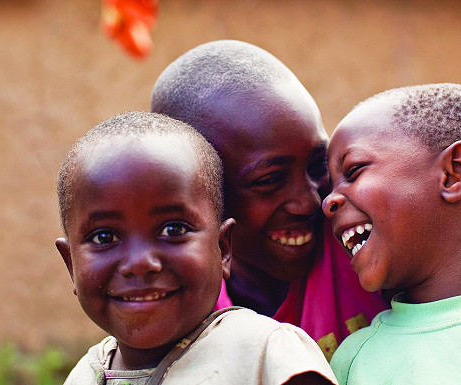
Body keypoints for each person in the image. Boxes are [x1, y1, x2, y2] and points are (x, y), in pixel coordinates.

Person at [55, 111, 338, 384]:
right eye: (104, 237)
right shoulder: (85, 375)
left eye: (173, 230)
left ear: (223, 249)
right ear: (71, 264)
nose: (140, 262)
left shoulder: (268, 354)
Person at [151, 40, 389, 360]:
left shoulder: (365, 247)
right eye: (269, 181)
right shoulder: (184, 316)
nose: (308, 203)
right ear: (199, 194)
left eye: (317, 164)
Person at [321, 83, 461, 384]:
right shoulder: (354, 359)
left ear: (455, 172)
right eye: (330, 188)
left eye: (354, 171)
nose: (327, 202)